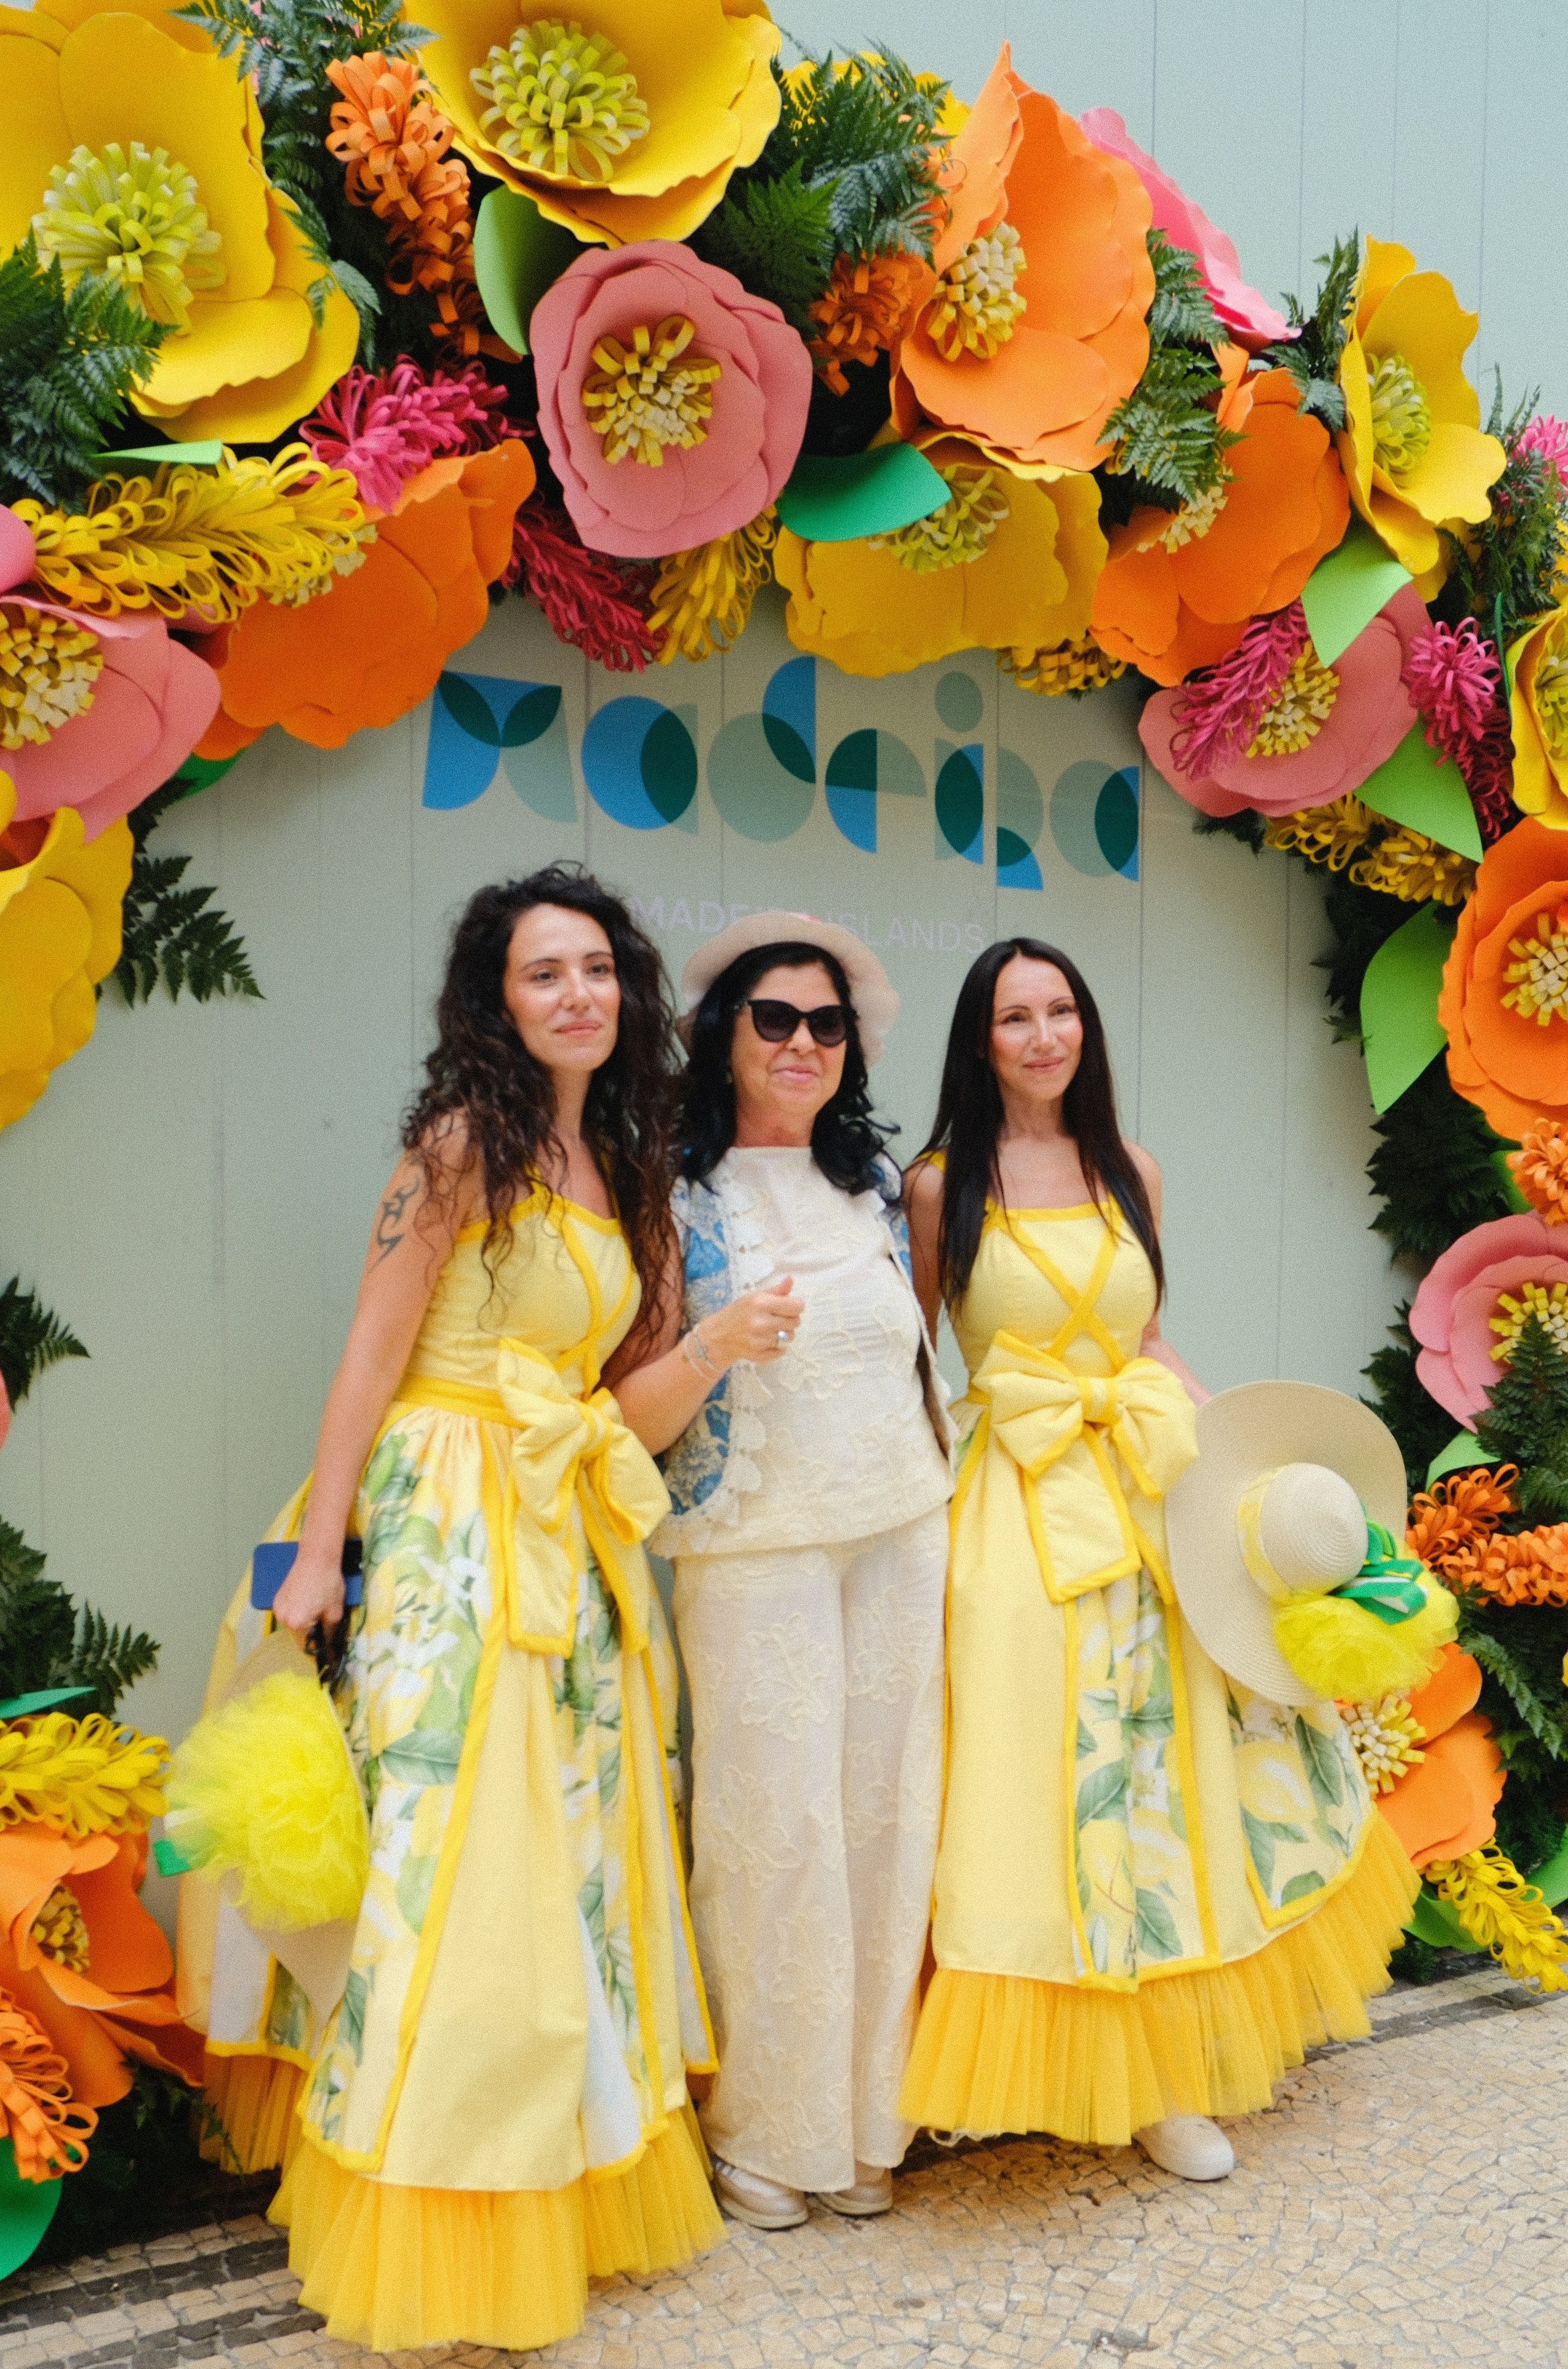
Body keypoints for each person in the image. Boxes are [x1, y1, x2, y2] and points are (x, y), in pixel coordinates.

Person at [177, 866, 720, 2352]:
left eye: (598, 969)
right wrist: (318, 1548)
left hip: (565, 1532)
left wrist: (717, 1343)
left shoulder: (629, 1157)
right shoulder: (462, 1141)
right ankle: (427, 2169)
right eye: (544, 973)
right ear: (495, 997)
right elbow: (370, 1350)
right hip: (438, 1519)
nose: (577, 996)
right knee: (442, 1834)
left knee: (561, 1842)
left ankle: (548, 2145)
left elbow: (631, 1397)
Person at [898, 939, 1419, 2182]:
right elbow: (910, 1357)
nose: (1041, 1033)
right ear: (979, 1039)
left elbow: (1150, 1333)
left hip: (1145, 1482)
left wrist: (1240, 1461)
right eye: (1013, 1015)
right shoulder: (934, 1182)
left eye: (1059, 1008)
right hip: (1011, 1504)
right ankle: (979, 2058)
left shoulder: (1131, 1167)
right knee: (1032, 1768)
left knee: (1167, 1767)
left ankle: (1163, 2069)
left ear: (1084, 1024)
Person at [616, 914, 954, 2231]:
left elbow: (921, 1353)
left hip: (900, 1527)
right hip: (749, 1540)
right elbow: (628, 1409)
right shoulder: (667, 1189)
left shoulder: (875, 1183)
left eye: (825, 1022)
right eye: (774, 1019)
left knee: (885, 1816)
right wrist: (712, 1341)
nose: (802, 1042)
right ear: (723, 1034)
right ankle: (764, 2123)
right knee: (772, 1831)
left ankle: (867, 2120)